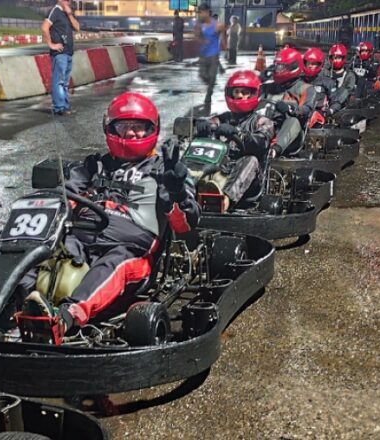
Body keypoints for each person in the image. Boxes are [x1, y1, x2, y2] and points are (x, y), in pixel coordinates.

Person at [18, 93, 200, 341]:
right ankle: (13, 306)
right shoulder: (95, 165)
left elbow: (185, 226)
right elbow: (63, 196)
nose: (131, 134)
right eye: (124, 127)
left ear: (152, 129)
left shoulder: (164, 170)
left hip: (131, 251)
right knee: (40, 255)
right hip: (81, 237)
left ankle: (65, 318)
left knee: (113, 264)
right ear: (110, 129)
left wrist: (176, 188)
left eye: (139, 128)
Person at [195, 70, 275, 211]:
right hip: (221, 168)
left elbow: (261, 143)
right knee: (197, 149)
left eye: (244, 92)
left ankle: (224, 202)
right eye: (236, 91)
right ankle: (188, 192)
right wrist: (202, 125)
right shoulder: (224, 118)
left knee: (251, 160)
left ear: (252, 94)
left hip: (250, 179)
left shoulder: (262, 121)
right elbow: (211, 123)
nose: (239, 95)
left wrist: (238, 133)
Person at [259, 47, 318, 156]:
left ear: (293, 67)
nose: (278, 70)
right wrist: (259, 79)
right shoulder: (268, 88)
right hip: (267, 129)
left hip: (292, 135)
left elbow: (307, 109)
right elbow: (247, 97)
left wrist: (290, 109)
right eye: (276, 66)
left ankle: (273, 152)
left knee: (293, 121)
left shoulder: (306, 88)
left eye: (281, 67)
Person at [42, 0, 80, 116]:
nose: (68, 2)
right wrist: (51, 44)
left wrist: (69, 14)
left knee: (65, 83)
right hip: (59, 53)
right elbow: (44, 27)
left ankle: (65, 106)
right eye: (66, 0)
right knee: (59, 81)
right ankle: (59, 107)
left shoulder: (66, 14)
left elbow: (77, 27)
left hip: (68, 52)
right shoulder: (55, 11)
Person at [196, 4, 226, 104]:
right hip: (203, 54)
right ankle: (210, 84)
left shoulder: (218, 25)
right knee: (202, 75)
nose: (201, 14)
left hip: (213, 55)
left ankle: (209, 95)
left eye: (202, 12)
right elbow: (197, 36)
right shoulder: (200, 24)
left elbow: (223, 38)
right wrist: (201, 40)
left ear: (208, 12)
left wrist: (224, 47)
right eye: (200, 12)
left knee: (212, 76)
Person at [303, 47, 344, 116]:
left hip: (318, 115)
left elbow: (336, 101)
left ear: (319, 64)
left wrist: (330, 110)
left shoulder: (327, 82)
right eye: (308, 63)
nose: (310, 66)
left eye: (313, 63)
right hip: (300, 112)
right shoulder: (300, 80)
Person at [323, 43, 357, 108]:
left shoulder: (349, 75)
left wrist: (333, 105)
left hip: (341, 105)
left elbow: (347, 91)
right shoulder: (325, 72)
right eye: (334, 58)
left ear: (343, 59)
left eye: (338, 58)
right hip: (324, 103)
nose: (335, 60)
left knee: (345, 91)